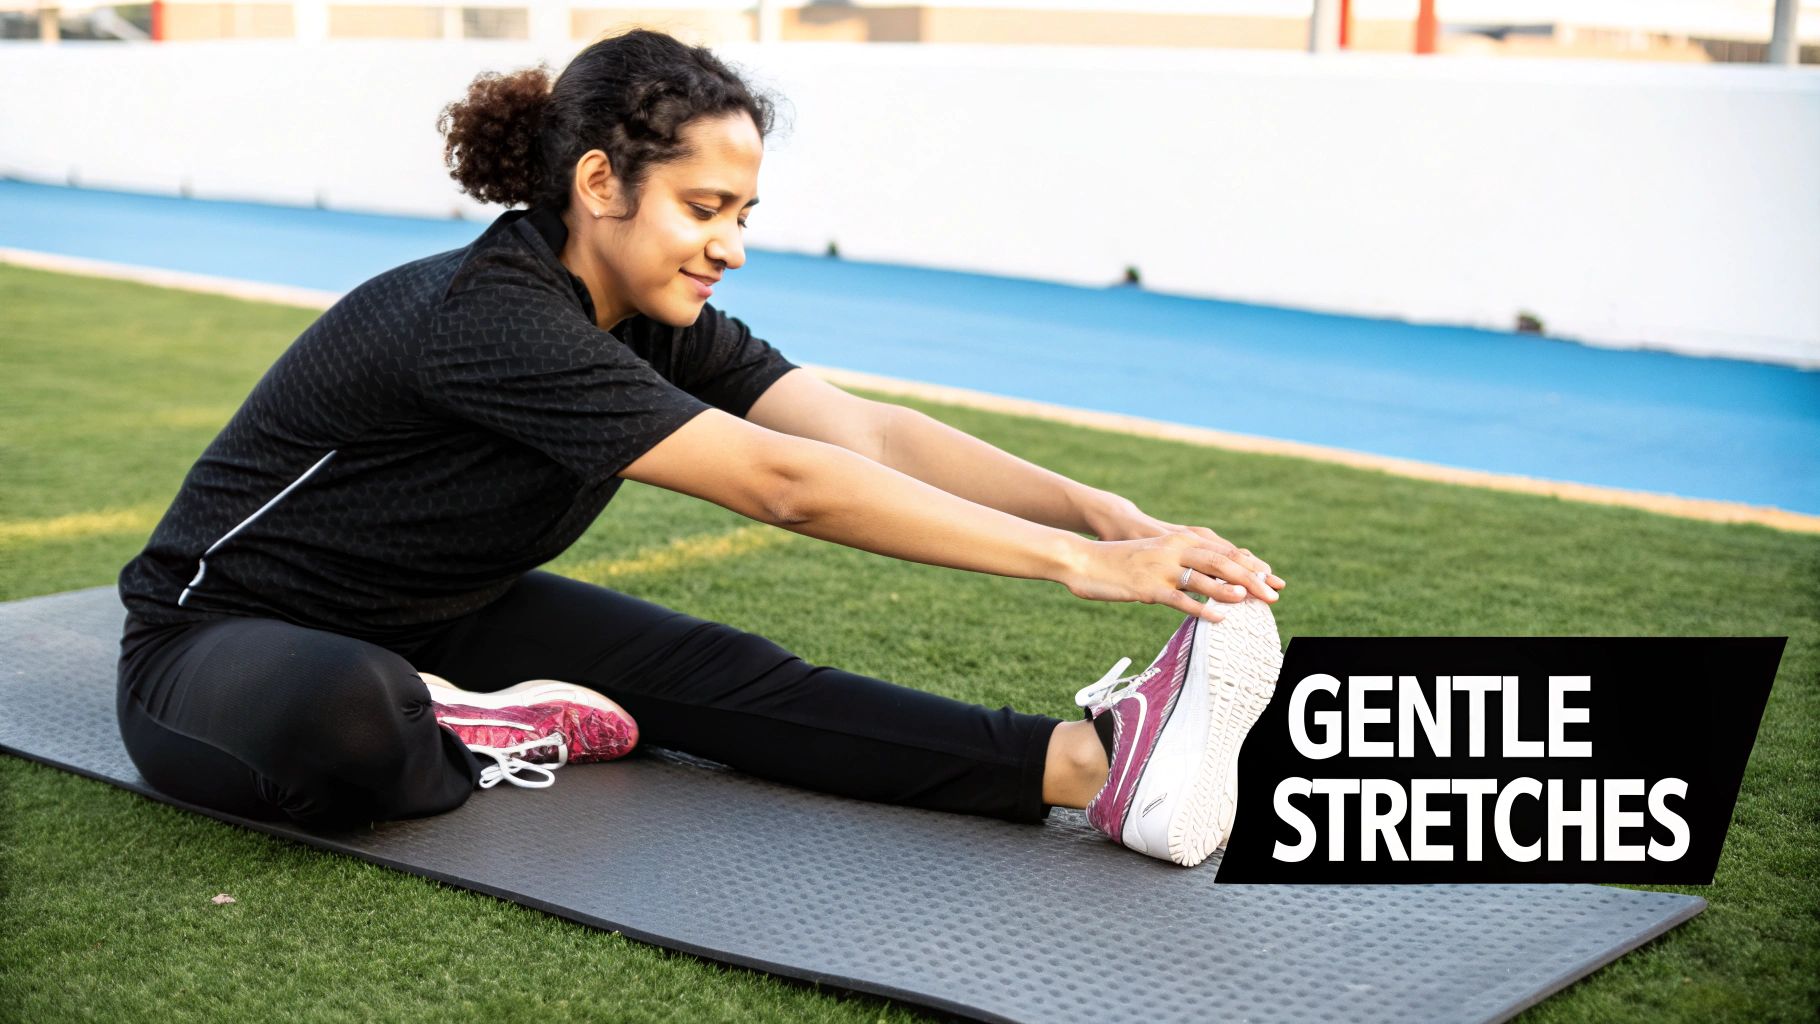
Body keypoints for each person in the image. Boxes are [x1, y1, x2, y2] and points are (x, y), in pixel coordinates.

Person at [113, 28, 1286, 868]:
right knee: (346, 709)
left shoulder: (655, 314)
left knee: (737, 679)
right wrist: (1074, 569)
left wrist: (1096, 511)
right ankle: (462, 722)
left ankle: (1091, 769)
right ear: (598, 185)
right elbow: (784, 485)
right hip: (218, 639)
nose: (727, 243)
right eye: (702, 207)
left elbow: (864, 432)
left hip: (449, 608)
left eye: (742, 213)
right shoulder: (493, 316)